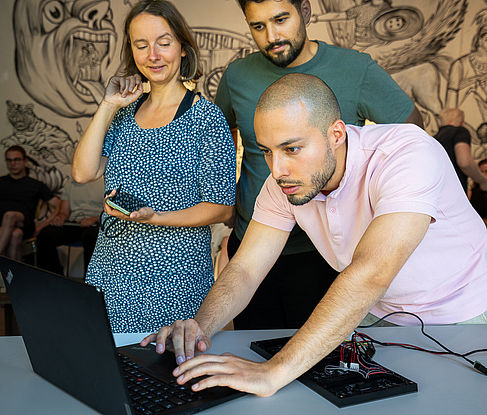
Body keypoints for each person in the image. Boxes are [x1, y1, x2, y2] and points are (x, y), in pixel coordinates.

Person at [141, 73, 487, 397]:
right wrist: (200, 326)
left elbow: (371, 272)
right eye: (266, 150)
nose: (277, 170)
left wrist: (272, 372)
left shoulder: (407, 153)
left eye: (291, 149)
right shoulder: (284, 183)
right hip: (377, 315)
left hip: (463, 312)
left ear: (336, 134)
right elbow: (246, 268)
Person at [214, 0, 423, 330]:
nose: (271, 35)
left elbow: (410, 131)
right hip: (255, 241)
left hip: (324, 253)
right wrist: (230, 211)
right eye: (258, 26)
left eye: (281, 19)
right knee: (251, 351)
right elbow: (222, 143)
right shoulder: (237, 75)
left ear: (306, 11)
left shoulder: (356, 69)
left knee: (319, 362)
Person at [71, 0, 236, 333]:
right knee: (114, 373)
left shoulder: (207, 119)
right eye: (141, 45)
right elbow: (83, 173)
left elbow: (221, 209)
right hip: (113, 271)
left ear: (183, 49)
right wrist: (107, 105)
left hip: (175, 277)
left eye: (163, 42)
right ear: (131, 52)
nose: (153, 55)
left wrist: (155, 217)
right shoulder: (122, 114)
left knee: (169, 375)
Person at [0, 145, 59, 260]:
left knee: (10, 215)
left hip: (25, 224)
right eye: (9, 160)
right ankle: (13, 276)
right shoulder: (1, 182)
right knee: (15, 235)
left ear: (25, 161)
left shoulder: (36, 185)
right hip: (3, 225)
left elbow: (57, 205)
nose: (13, 164)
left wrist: (42, 225)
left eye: (16, 159)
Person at [36, 177, 104, 276]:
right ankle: (53, 276)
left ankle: (90, 282)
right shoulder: (71, 183)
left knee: (91, 236)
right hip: (74, 223)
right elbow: (64, 211)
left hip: (95, 224)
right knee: (46, 234)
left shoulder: (105, 181)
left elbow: (110, 212)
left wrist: (95, 218)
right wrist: (61, 217)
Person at [434, 108, 487, 193]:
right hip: (454, 192)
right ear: (462, 123)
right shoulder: (460, 131)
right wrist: (482, 181)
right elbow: (465, 162)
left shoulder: (434, 138)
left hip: (437, 192)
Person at [469, 159, 487, 226]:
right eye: (481, 172)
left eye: (486, 171)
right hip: (475, 226)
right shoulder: (471, 192)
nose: (483, 175)